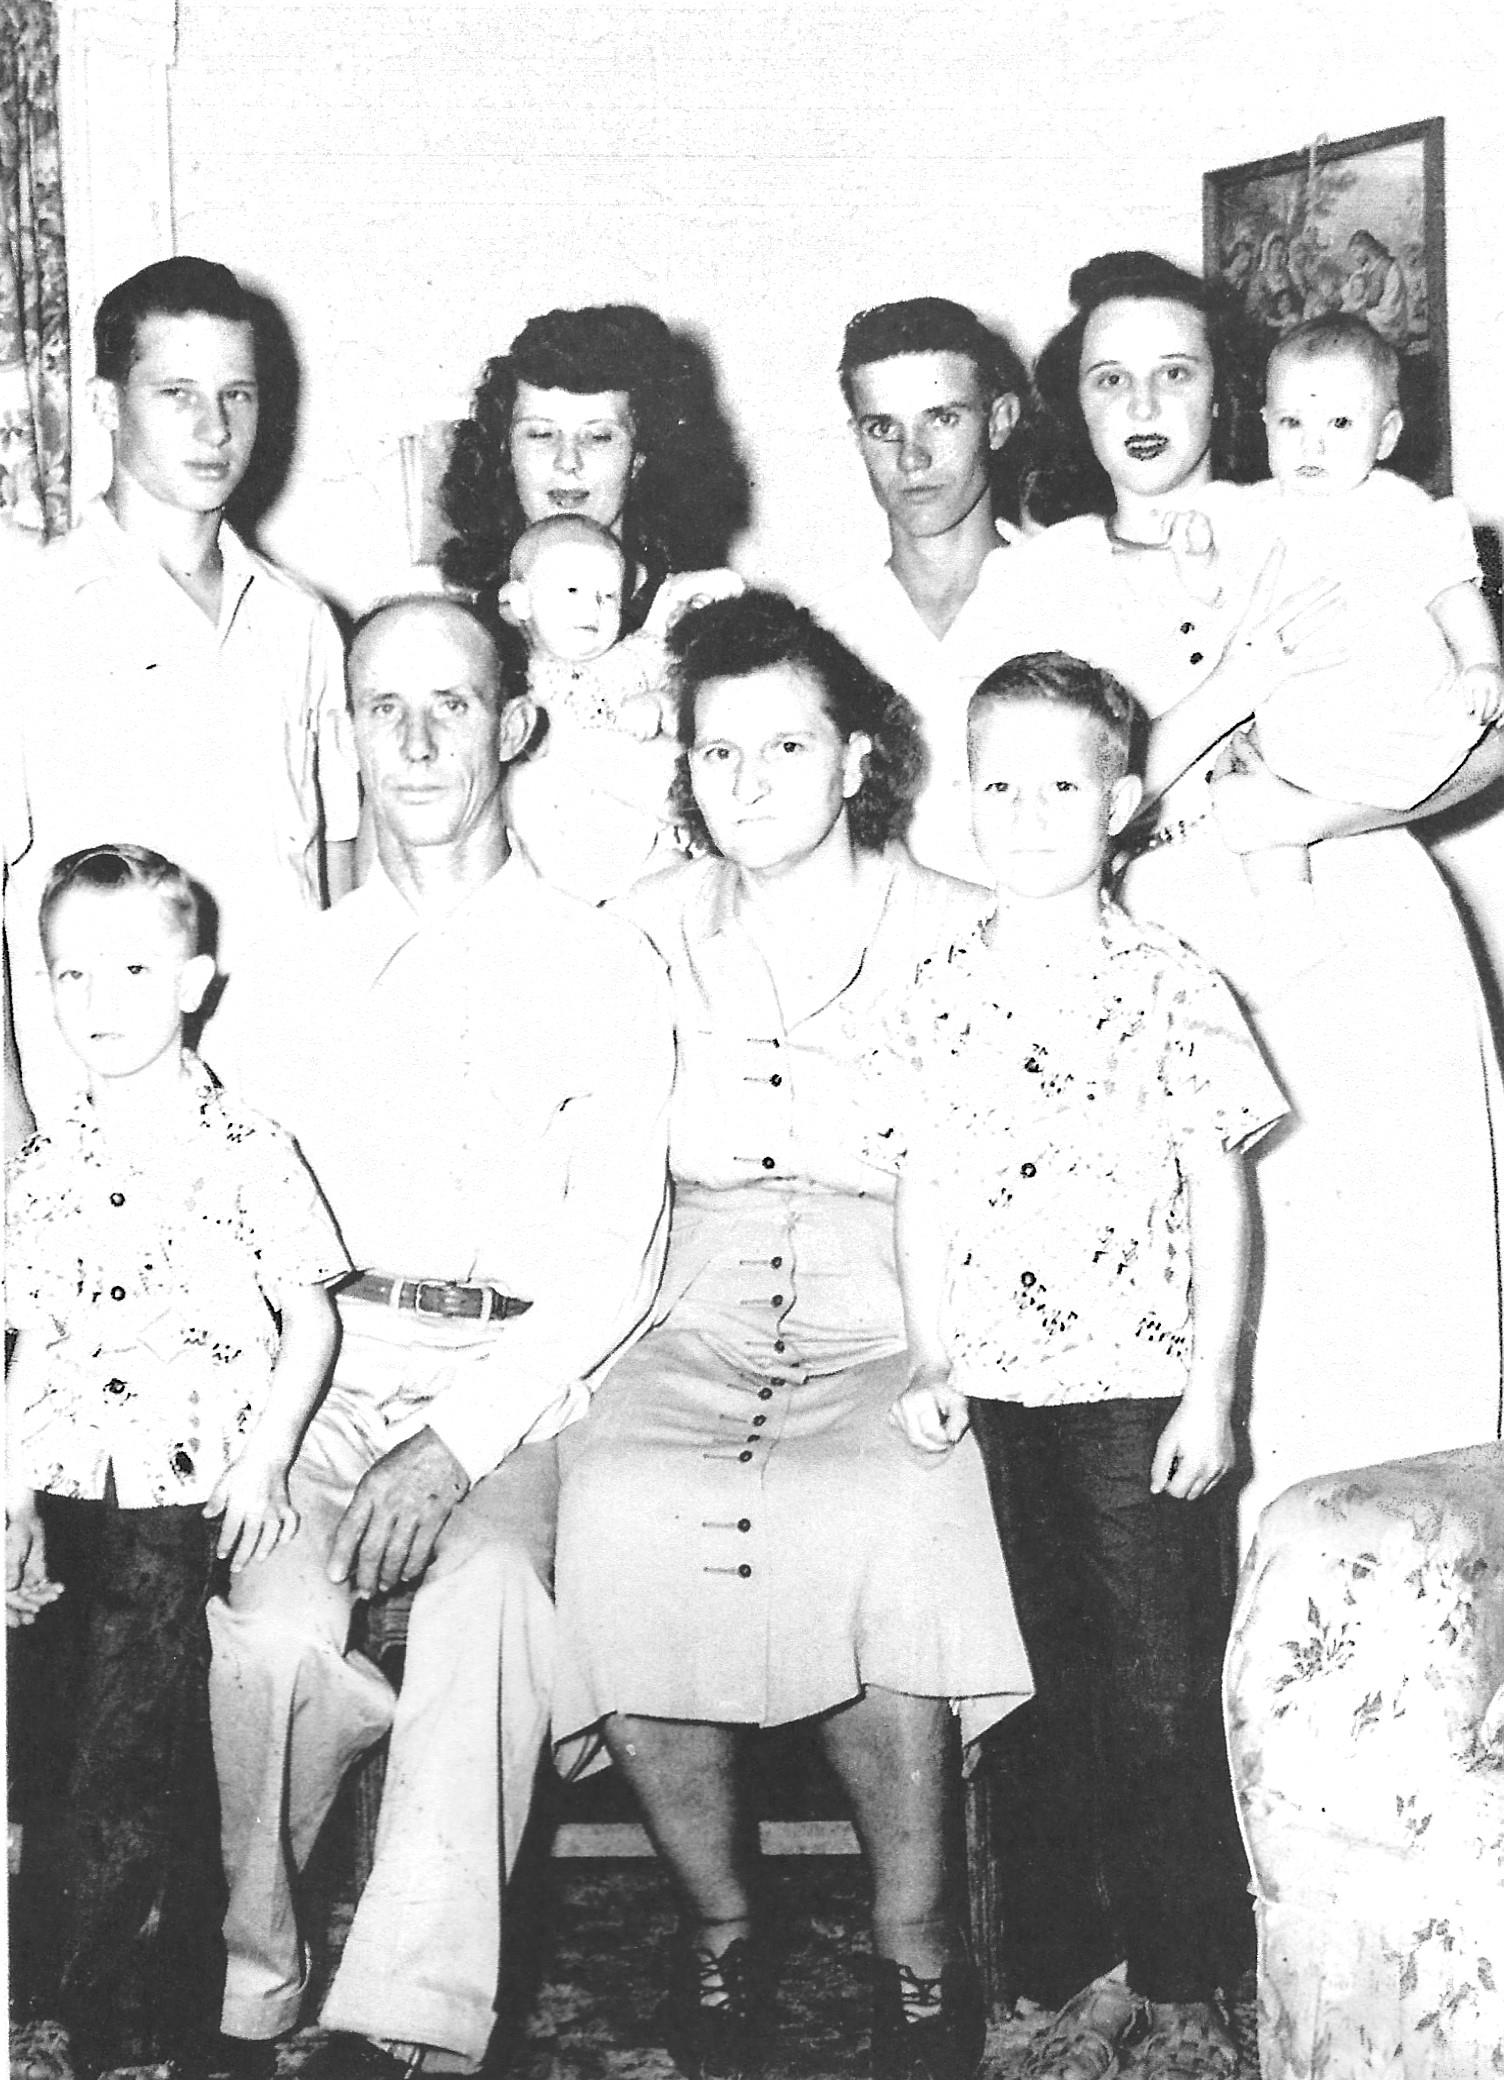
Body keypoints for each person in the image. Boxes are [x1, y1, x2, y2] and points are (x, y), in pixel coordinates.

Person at [552, 591, 1033, 2080]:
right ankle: (720, 1925)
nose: (747, 779)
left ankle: (915, 1948)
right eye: (714, 751)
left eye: (784, 743)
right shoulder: (638, 925)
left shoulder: (963, 921)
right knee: (621, 1502)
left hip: (898, 1298)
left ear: (856, 758)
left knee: (890, 1506)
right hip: (681, 1289)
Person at [207, 596, 675, 2079]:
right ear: (344, 736)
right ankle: (253, 1984)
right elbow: (235, 1221)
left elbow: (620, 1253)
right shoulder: (286, 968)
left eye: (452, 705)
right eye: (381, 707)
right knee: (275, 1639)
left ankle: (406, 2018)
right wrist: (282, 1417)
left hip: (513, 1383)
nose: (413, 740)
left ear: (514, 724)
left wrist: (455, 1440)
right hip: (323, 1369)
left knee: (484, 1602)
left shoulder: (602, 961)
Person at [993, 248, 1504, 1540]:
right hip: (1177, 963)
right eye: (1112, 378)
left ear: (1227, 393)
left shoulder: (1332, 510)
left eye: (1176, 371)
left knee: (1401, 1313)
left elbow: (1482, 726)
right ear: (1078, 405)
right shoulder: (1041, 577)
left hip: (1370, 935)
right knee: (1227, 1351)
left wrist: (1331, 808)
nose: (1145, 403)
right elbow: (1060, 805)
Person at [887, 653, 1287, 2080]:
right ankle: (1068, 1974)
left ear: (1121, 803)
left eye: (1065, 782)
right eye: (1001, 782)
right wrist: (933, 1347)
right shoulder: (935, 988)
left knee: (1162, 1689)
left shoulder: (1173, 983)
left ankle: (1189, 1982)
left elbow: (1220, 1189)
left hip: (1136, 1395)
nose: (1032, 809)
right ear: (963, 798)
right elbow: (922, 1184)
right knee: (1040, 1695)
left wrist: (1213, 1385)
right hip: (1002, 1396)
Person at [5, 842, 346, 2080]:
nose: (99, 1005)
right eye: (72, 976)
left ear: (196, 980)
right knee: (59, 1736)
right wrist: (9, 1498)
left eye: (133, 970)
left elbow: (310, 1315)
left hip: (179, 1488)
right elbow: (30, 1337)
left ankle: (129, 2004)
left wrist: (262, 1464)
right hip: (67, 1481)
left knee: (137, 1745)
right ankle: (68, 1970)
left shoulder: (249, 1146)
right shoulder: (46, 1166)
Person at [3, 257, 358, 1137]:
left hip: (287, 1119)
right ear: (101, 407)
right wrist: (14, 1140)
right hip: (93, 1135)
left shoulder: (302, 622)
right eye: (175, 392)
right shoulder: (29, 615)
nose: (214, 427)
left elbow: (337, 878)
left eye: (238, 395)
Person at [1190, 314, 1502, 976]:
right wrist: (1197, 560)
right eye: (1292, 424)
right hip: (1301, 717)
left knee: (1287, 808)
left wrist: (1481, 662)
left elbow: (1452, 592)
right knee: (1247, 803)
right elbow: (1217, 595)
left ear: (1385, 435)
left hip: (1389, 702)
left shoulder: (1403, 511)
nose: (1314, 445)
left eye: (1339, 424)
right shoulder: (1253, 511)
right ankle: (1290, 919)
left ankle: (1308, 842)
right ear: (1266, 424)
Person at [813, 297, 1030, 882]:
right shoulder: (823, 638)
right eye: (883, 428)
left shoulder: (1071, 593)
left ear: (1000, 421)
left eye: (943, 418)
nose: (912, 457)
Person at [437, 301, 744, 628]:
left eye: (598, 437)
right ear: (505, 451)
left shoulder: (692, 611)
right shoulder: (463, 622)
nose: (568, 461)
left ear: (640, 456)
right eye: (541, 434)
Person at [499, 513, 684, 900]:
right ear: (520, 600)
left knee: (672, 882)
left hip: (639, 854)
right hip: (547, 863)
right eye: (572, 590)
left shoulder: (632, 662)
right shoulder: (510, 672)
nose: (593, 607)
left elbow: (680, 697)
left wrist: (658, 704)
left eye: (609, 595)